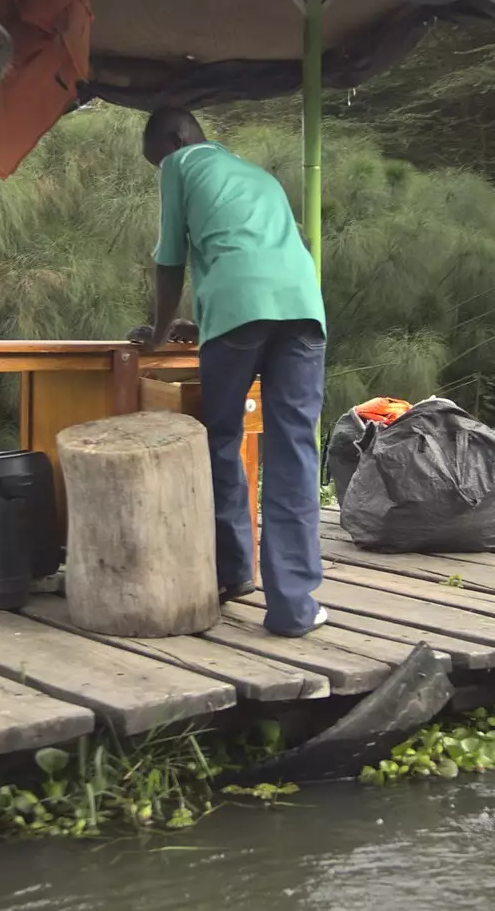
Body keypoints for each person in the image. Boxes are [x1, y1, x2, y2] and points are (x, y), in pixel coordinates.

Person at [127, 107, 328, 637]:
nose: (160, 169)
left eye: (158, 159)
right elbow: (255, 255)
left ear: (175, 136)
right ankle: (295, 608)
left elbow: (170, 259)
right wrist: (208, 320)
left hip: (241, 316)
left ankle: (234, 573)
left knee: (219, 440)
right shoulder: (257, 175)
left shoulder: (181, 162)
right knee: (294, 450)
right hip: (302, 310)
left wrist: (161, 328)